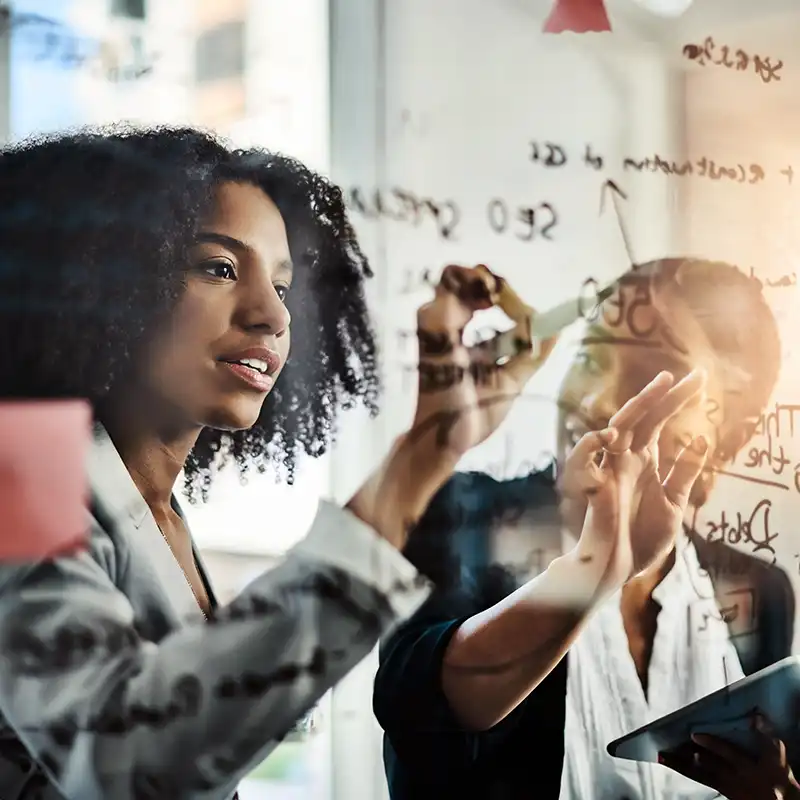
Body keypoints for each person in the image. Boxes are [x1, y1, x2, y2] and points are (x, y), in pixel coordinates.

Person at [0, 126, 577, 799]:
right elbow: (126, 760)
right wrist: (429, 450)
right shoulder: (21, 475)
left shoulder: (156, 511)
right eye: (217, 267)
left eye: (283, 283)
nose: (272, 315)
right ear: (94, 278)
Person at [375, 257, 798, 800]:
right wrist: (593, 570)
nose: (595, 398)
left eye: (653, 375)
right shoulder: (460, 513)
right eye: (591, 357)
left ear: (729, 436)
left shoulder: (757, 593)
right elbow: (414, 712)